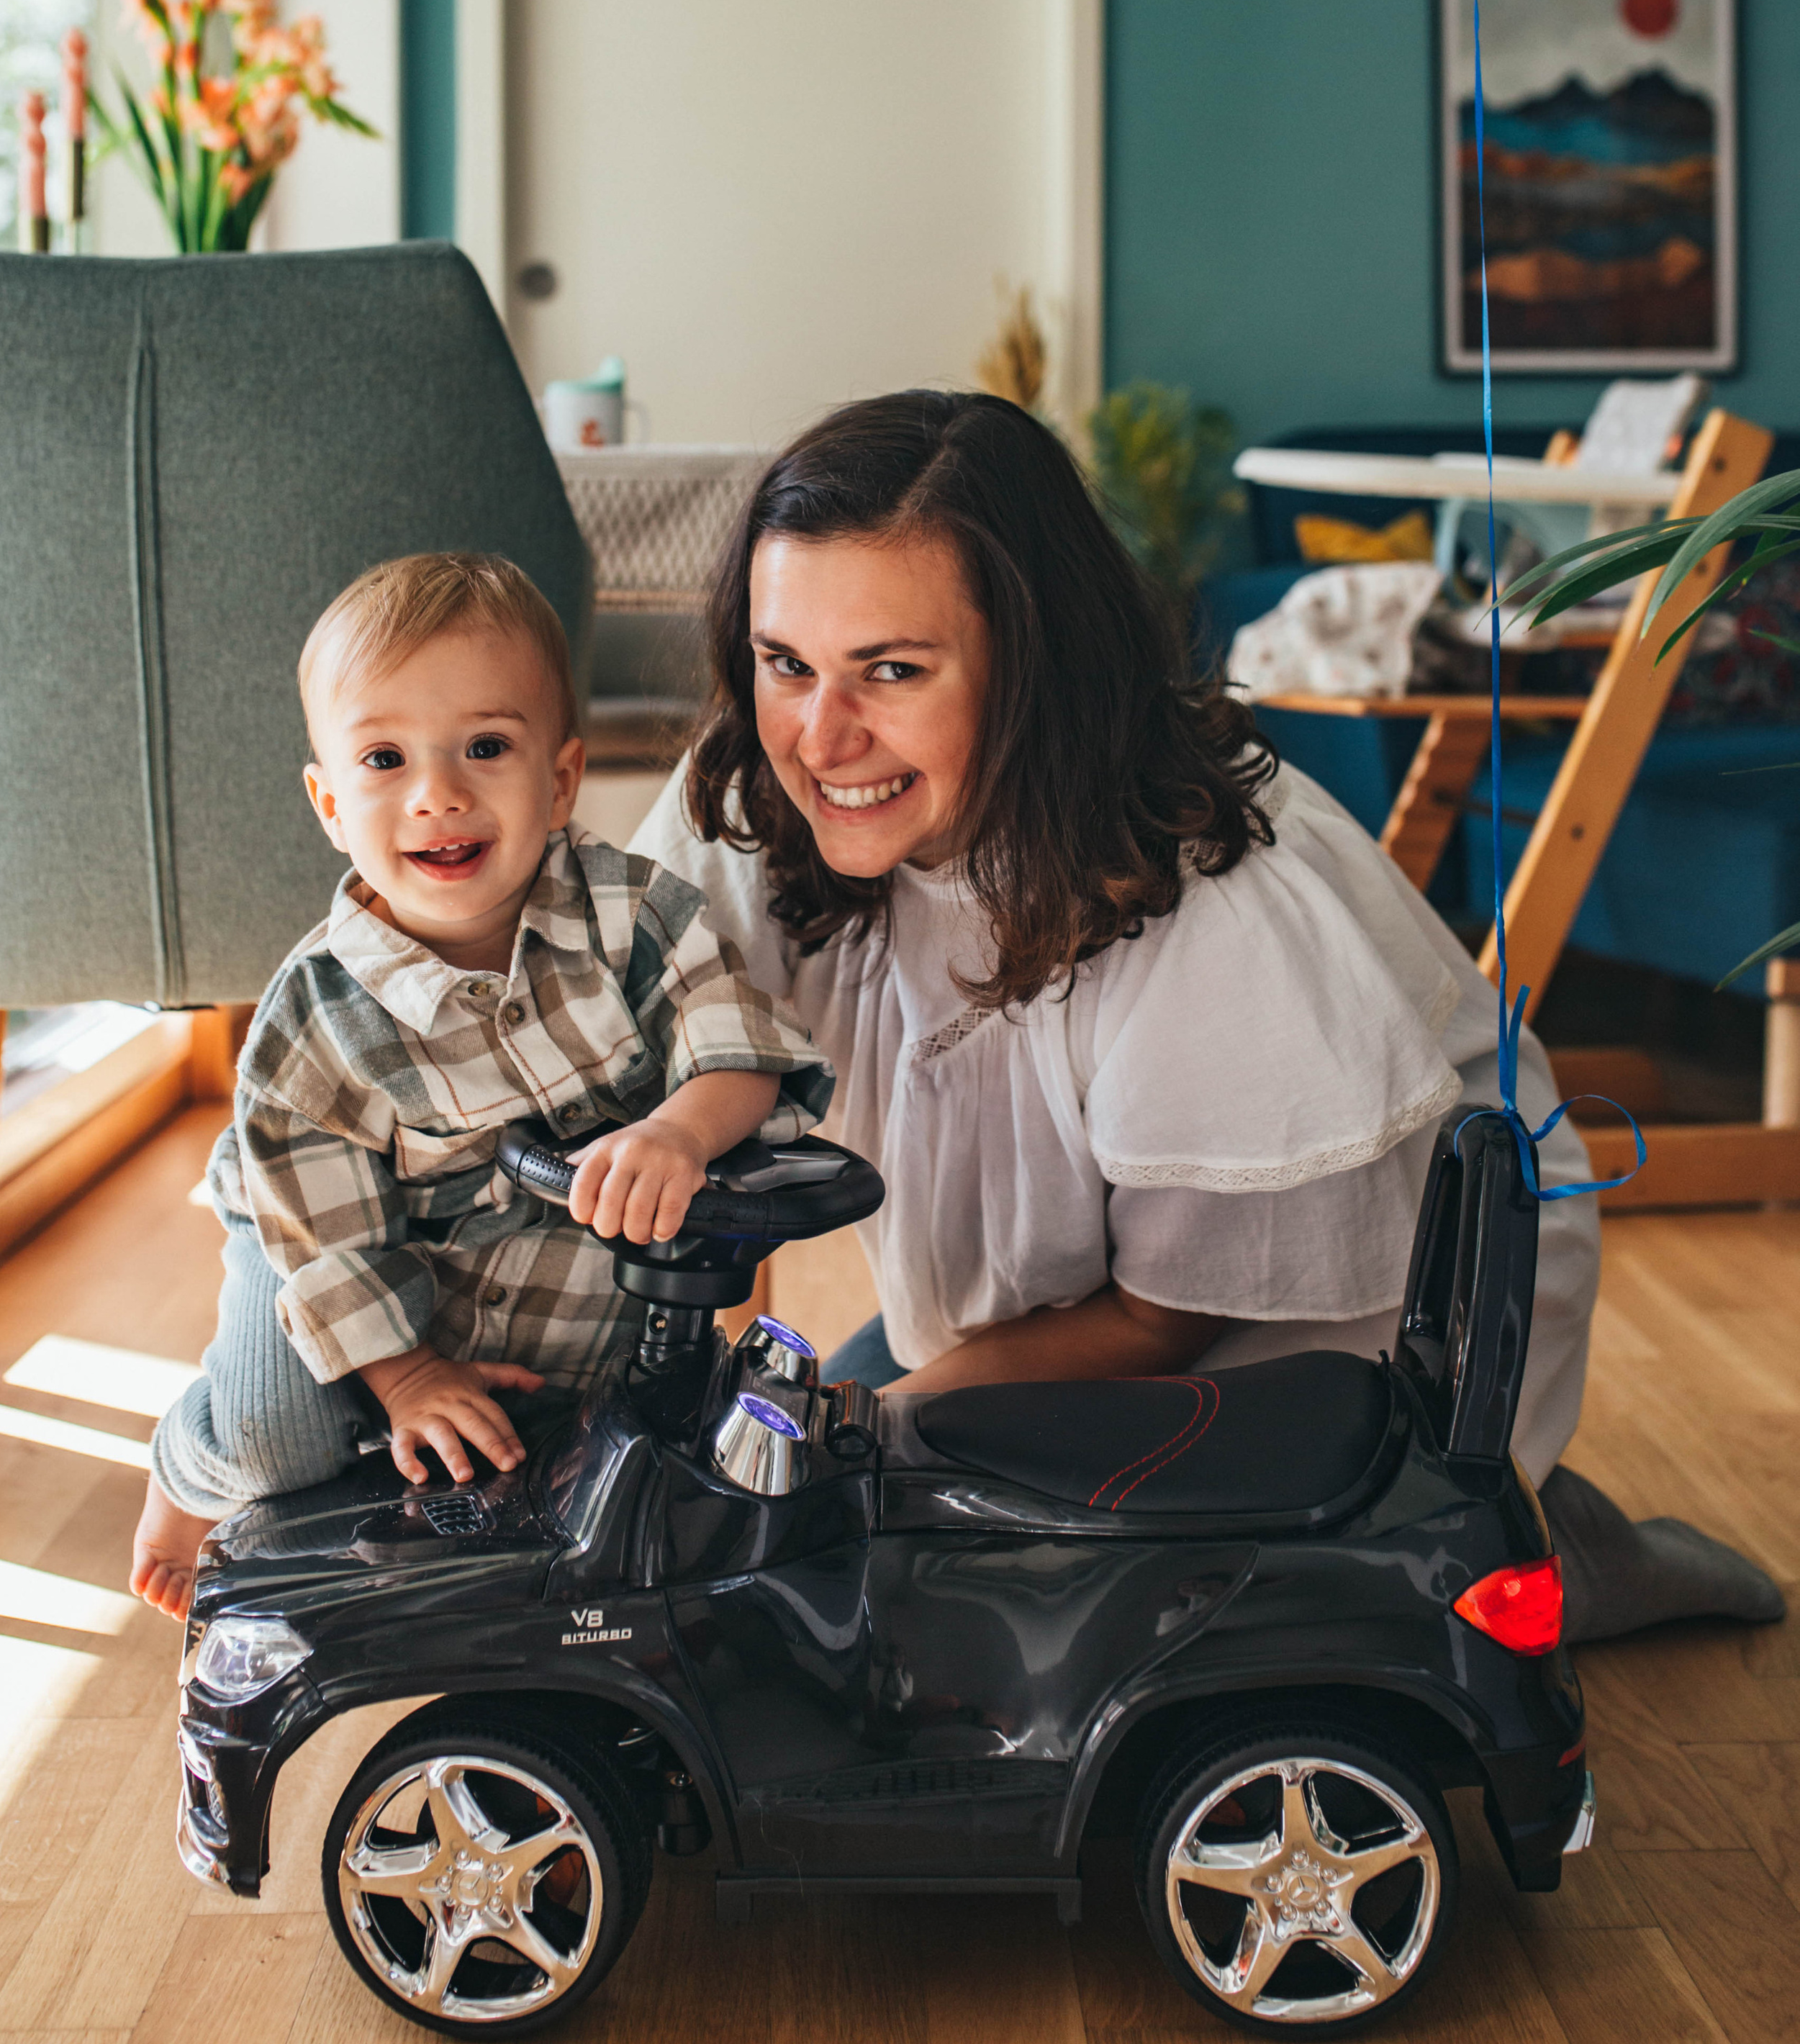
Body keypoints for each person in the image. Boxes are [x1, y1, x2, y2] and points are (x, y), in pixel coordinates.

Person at [638, 389, 1782, 1643]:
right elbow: (647, 1041)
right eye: (784, 662)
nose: (821, 733)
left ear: (1033, 665)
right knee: (780, 1524)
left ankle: (1549, 1544)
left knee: (1013, 1615)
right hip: (1066, 1294)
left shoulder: (1207, 900)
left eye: (893, 670)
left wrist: (875, 1427)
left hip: (1322, 1313)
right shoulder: (771, 795)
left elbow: (1165, 1317)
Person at [132, 551, 832, 1619]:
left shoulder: (635, 917)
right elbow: (328, 1245)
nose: (439, 794)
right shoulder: (314, 1017)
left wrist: (681, 1133)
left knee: (597, 1454)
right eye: (384, 759)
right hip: (319, 1236)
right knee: (287, 1444)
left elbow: (738, 1049)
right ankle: (190, 1462)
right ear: (328, 802)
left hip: (551, 1288)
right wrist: (404, 1376)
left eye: (486, 747)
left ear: (559, 779)